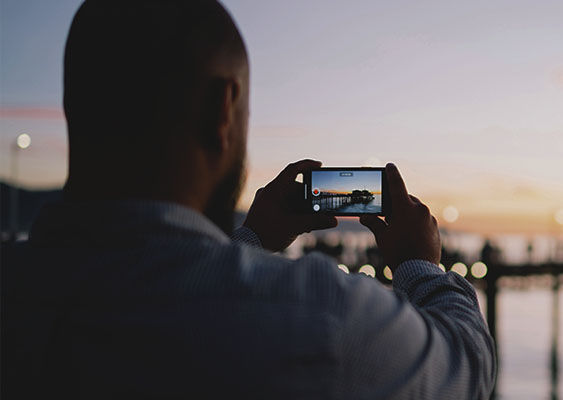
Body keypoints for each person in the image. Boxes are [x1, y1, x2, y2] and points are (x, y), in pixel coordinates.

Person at [0, 0, 496, 398]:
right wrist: (419, 267)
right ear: (223, 110)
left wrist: (250, 242)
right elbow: (464, 366)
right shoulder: (316, 314)